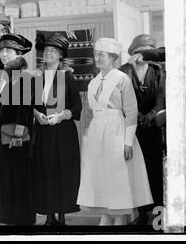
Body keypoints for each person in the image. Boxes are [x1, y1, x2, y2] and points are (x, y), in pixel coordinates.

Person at [77, 38, 153, 226]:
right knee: (100, 174)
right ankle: (106, 214)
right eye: (95, 54)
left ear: (112, 57)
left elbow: (132, 112)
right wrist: (88, 140)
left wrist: (127, 142)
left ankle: (120, 217)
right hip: (97, 132)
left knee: (117, 175)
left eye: (101, 55)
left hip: (117, 131)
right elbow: (89, 112)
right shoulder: (93, 82)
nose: (97, 58)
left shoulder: (121, 79)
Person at [33, 33, 82, 226]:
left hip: (63, 133)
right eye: (46, 50)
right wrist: (36, 115)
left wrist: (61, 116)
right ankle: (48, 215)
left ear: (61, 55)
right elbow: (30, 103)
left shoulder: (67, 76)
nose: (48, 54)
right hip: (43, 132)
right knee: (45, 171)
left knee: (63, 172)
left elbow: (77, 106)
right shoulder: (36, 76)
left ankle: (62, 215)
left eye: (53, 51)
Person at [119, 34, 166, 225]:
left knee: (155, 174)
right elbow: (121, 98)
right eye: (139, 52)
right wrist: (136, 115)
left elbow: (161, 98)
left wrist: (152, 114)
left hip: (154, 129)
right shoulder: (124, 71)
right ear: (132, 54)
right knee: (136, 174)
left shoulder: (158, 71)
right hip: (132, 131)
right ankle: (142, 215)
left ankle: (158, 216)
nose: (142, 57)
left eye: (147, 52)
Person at [0, 33, 35, 225]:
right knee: (6, 176)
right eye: (1, 50)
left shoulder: (23, 76)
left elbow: (25, 107)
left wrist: (18, 133)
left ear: (18, 53)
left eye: (8, 50)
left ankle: (21, 219)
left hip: (16, 135)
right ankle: (6, 217)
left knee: (18, 177)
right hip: (2, 135)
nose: (3, 54)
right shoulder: (4, 75)